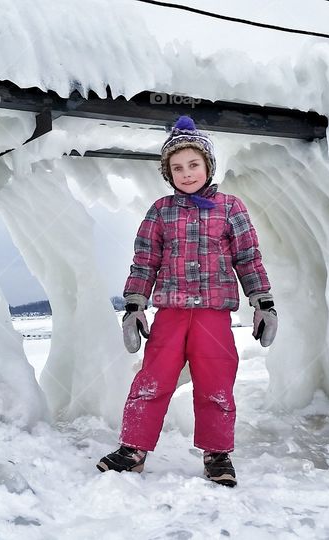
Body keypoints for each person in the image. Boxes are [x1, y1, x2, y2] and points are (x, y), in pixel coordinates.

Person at [96, 115, 277, 487]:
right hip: (171, 313)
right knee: (152, 379)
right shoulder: (161, 211)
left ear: (208, 166)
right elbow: (145, 260)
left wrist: (263, 302)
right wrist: (134, 305)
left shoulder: (231, 208)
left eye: (193, 164)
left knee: (216, 383)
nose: (186, 173)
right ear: (168, 174)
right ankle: (132, 451)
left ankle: (217, 454)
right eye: (177, 168)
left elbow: (248, 258)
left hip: (213, 315)